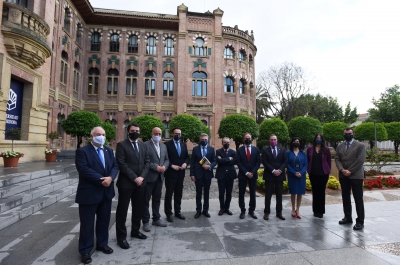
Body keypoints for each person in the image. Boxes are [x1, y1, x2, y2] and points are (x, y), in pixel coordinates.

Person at [75, 126, 119, 264]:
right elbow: (83, 169)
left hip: (106, 193)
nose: (101, 136)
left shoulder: (108, 150)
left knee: (103, 221)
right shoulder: (83, 151)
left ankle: (102, 244)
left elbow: (115, 166)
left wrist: (111, 178)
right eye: (98, 134)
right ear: (92, 136)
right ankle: (85, 250)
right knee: (87, 224)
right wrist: (102, 180)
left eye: (103, 134)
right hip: (89, 193)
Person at [115, 123, 150, 250]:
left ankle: (135, 231)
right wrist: (135, 178)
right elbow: (122, 163)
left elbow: (147, 162)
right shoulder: (121, 145)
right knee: (122, 211)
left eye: (137, 130)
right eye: (132, 130)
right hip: (126, 183)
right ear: (128, 132)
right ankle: (121, 237)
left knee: (138, 209)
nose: (135, 132)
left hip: (141, 183)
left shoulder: (143, 145)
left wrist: (141, 177)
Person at [335, 127, 366, 230]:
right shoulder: (340, 146)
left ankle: (360, 221)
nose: (347, 135)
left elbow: (360, 160)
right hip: (343, 175)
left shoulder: (360, 145)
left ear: (353, 134)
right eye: (346, 133)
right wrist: (342, 170)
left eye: (349, 133)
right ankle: (348, 217)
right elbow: (337, 158)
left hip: (356, 176)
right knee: (345, 197)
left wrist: (350, 171)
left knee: (358, 198)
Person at [142, 127, 169, 231]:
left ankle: (156, 219)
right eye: (155, 133)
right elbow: (145, 160)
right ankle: (145, 221)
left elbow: (166, 159)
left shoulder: (163, 146)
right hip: (149, 177)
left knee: (157, 199)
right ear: (152, 134)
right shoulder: (145, 145)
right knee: (145, 200)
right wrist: (155, 167)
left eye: (159, 133)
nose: (157, 135)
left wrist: (165, 167)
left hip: (160, 177)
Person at [164, 128, 190, 222]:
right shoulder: (167, 144)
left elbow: (187, 157)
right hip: (170, 173)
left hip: (181, 173)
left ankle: (177, 211)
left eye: (179, 133)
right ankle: (168, 213)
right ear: (172, 134)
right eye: (176, 133)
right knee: (169, 194)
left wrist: (185, 164)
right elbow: (164, 158)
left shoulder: (183, 144)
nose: (177, 135)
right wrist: (171, 165)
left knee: (178, 194)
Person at [261, 134, 287, 221]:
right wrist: (273, 171)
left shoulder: (282, 150)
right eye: (271, 139)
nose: (273, 141)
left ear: (277, 140)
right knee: (268, 195)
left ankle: (279, 212)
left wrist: (279, 170)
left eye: (275, 139)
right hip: (269, 176)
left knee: (279, 195)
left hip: (279, 176)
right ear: (269, 140)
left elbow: (285, 161)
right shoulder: (265, 150)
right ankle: (266, 212)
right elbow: (264, 161)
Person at [190, 133, 217, 218]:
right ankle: (198, 210)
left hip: (208, 174)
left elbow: (214, 161)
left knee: (206, 193)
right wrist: (192, 174)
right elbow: (192, 163)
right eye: (202, 139)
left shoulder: (211, 149)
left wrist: (209, 166)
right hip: (198, 174)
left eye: (205, 139)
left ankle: (205, 210)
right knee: (198, 193)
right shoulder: (195, 149)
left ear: (207, 140)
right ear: (200, 140)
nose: (204, 141)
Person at [306, 133, 331, 218]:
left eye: (320, 138)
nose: (318, 139)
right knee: (315, 192)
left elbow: (329, 162)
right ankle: (315, 210)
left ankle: (321, 211)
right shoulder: (310, 149)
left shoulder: (326, 149)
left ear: (322, 139)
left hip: (323, 174)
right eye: (317, 137)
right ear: (315, 139)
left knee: (321, 192)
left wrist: (328, 171)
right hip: (313, 173)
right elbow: (308, 160)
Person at [236, 132, 261, 219]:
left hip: (253, 175)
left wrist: (252, 172)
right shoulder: (239, 150)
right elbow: (238, 162)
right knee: (241, 193)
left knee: (252, 193)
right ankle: (242, 210)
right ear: (243, 139)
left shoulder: (256, 149)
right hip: (243, 175)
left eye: (249, 138)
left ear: (251, 138)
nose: (248, 139)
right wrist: (246, 172)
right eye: (246, 138)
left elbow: (258, 162)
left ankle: (251, 210)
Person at [286, 137, 307, 219]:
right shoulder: (288, 153)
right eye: (294, 141)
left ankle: (298, 209)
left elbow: (306, 164)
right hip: (292, 175)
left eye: (297, 141)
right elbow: (287, 164)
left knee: (300, 192)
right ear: (292, 143)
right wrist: (294, 173)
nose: (296, 142)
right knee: (293, 192)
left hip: (301, 175)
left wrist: (301, 173)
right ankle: (293, 209)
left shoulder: (303, 153)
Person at [215, 137, 237, 216]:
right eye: (224, 142)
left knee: (229, 193)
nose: (226, 143)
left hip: (230, 175)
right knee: (221, 193)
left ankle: (227, 208)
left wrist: (223, 160)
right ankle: (222, 208)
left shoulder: (233, 152)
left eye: (227, 142)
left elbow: (234, 162)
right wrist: (229, 159)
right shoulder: (218, 151)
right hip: (221, 175)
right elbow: (218, 161)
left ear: (230, 143)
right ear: (222, 143)